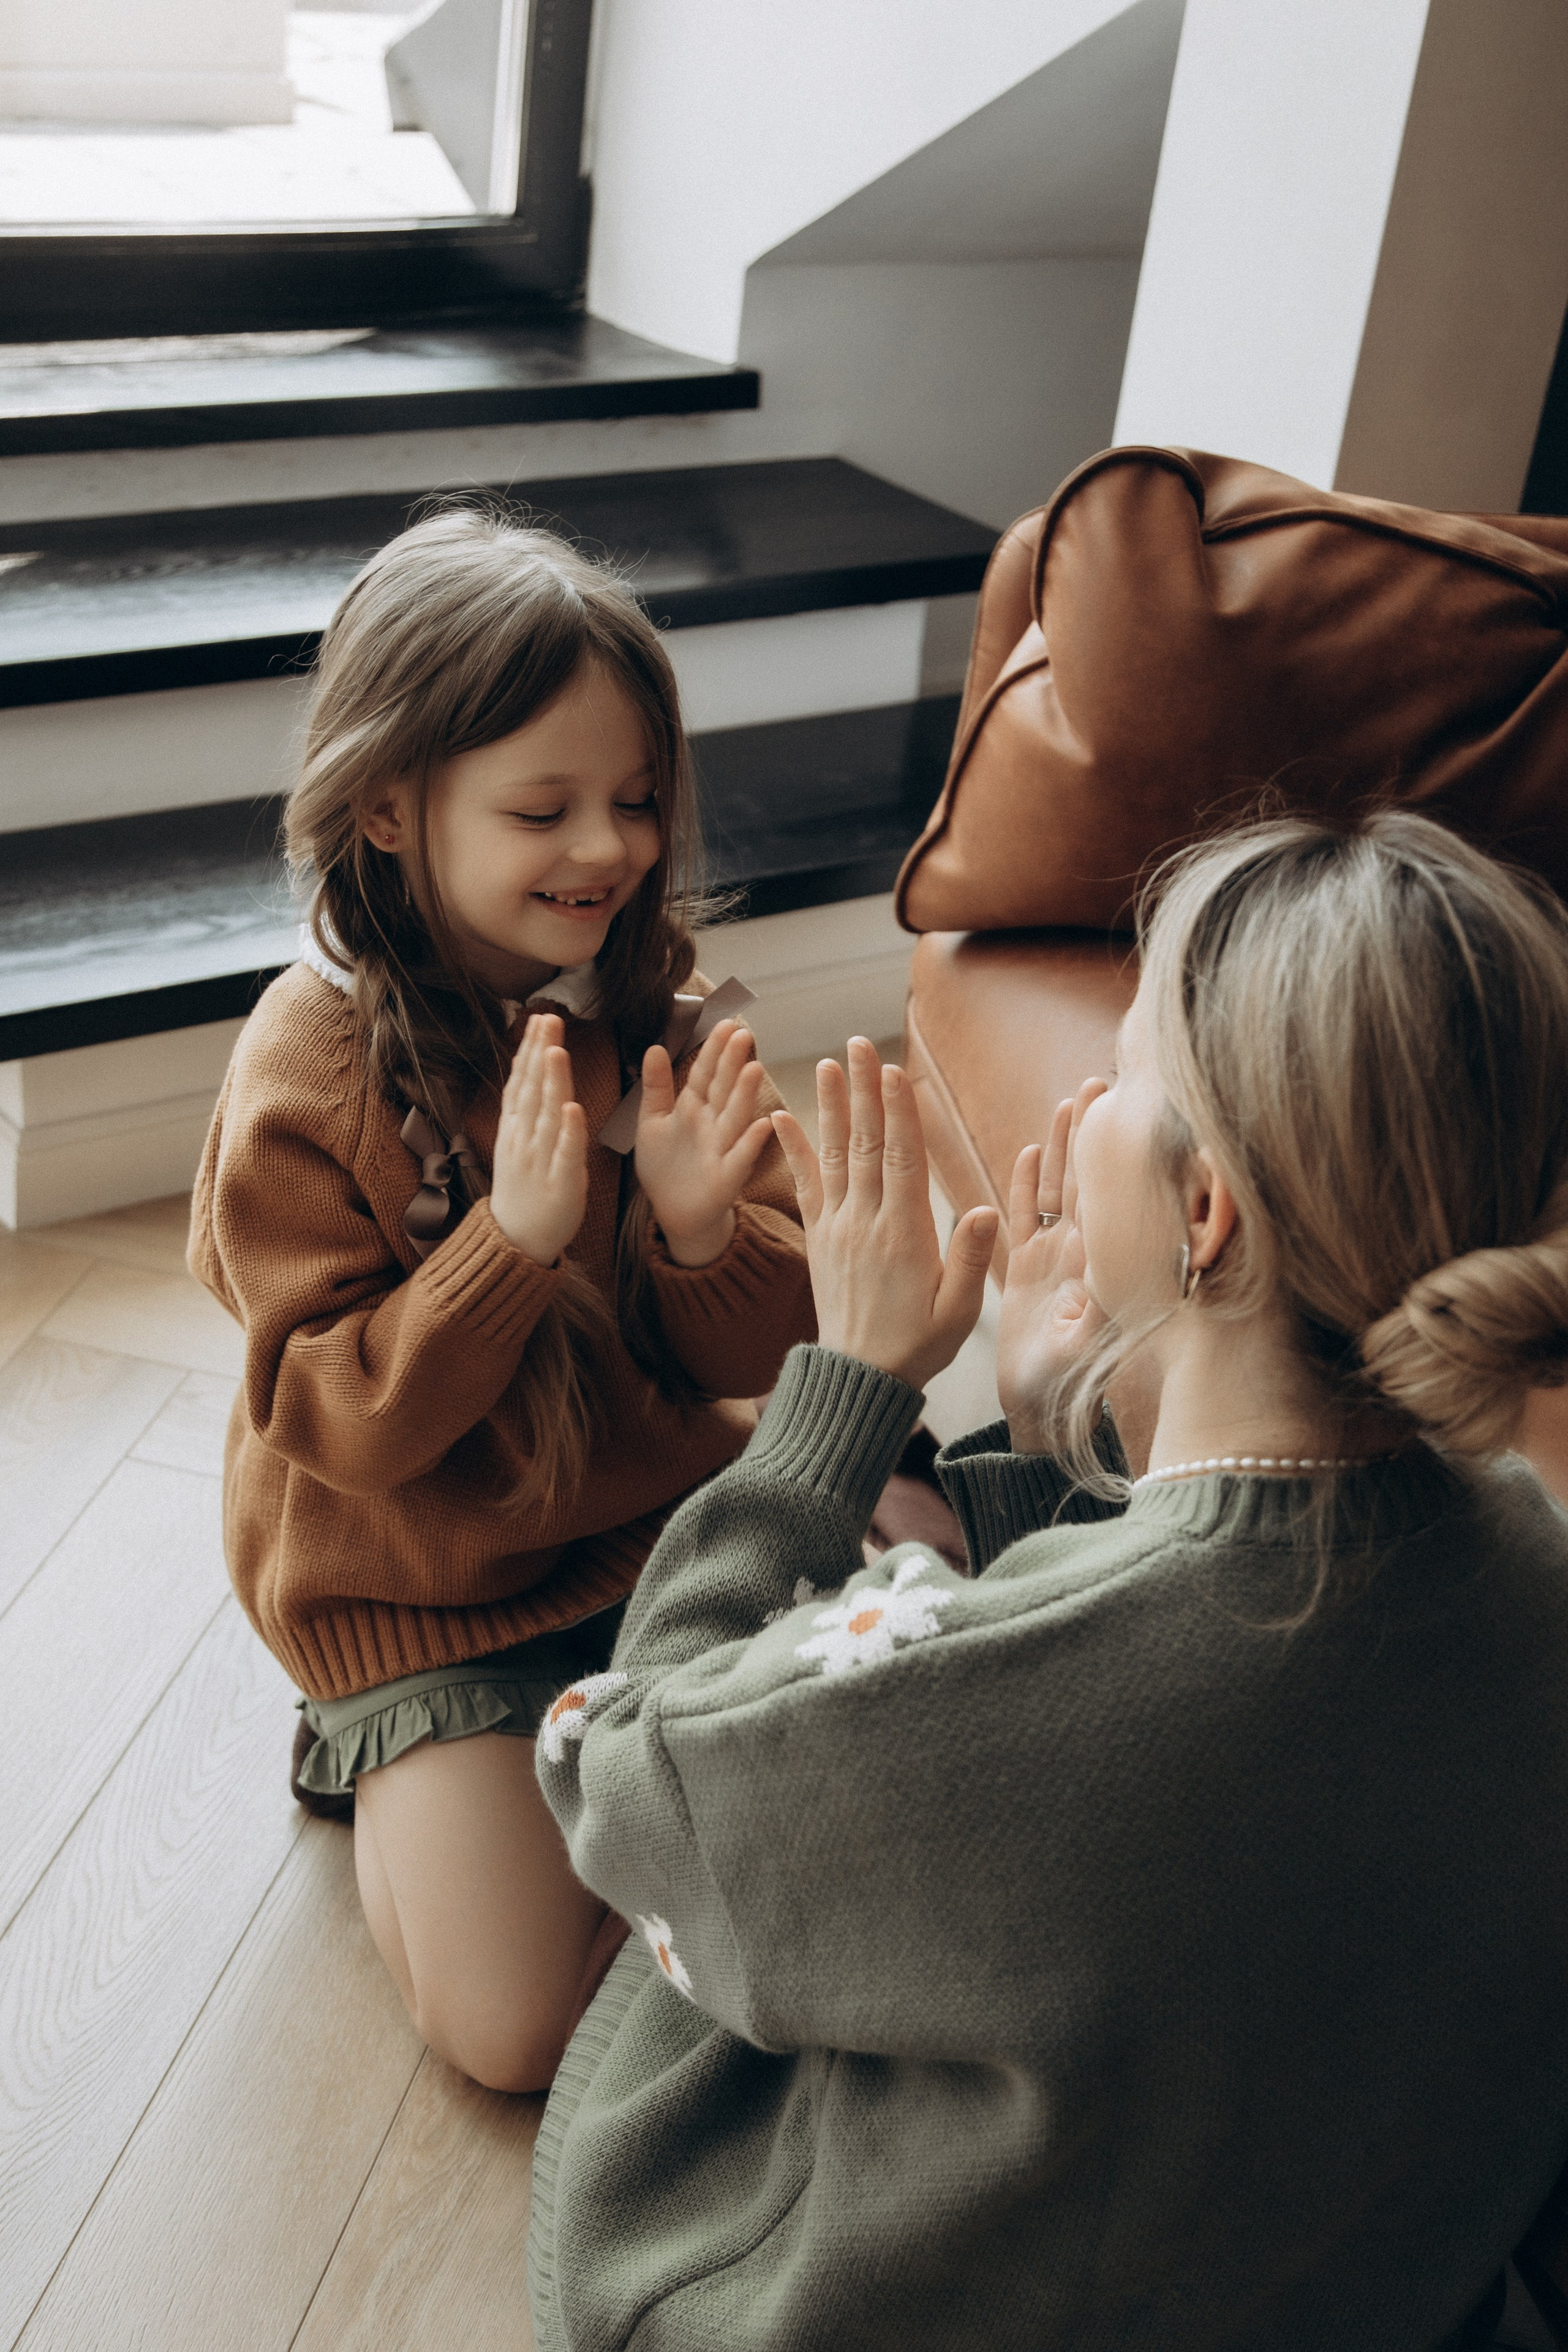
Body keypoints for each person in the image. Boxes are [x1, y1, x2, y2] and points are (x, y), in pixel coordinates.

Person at [529, 811, 1568, 2351]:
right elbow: (1127, 1704)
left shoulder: (963, 1688)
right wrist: (1039, 1448)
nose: (1077, 1096)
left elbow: (612, 1770)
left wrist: (839, 1395)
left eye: (1126, 1070)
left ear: (1202, 1215)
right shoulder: (1534, 1560)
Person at [189, 508, 813, 2094]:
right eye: (543, 809)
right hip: (431, 1589)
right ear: (389, 810)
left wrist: (692, 1232)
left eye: (634, 802)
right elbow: (339, 1421)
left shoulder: (649, 1008)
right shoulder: (306, 1064)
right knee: (514, 2030)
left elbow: (771, 1353)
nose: (605, 848)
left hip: (653, 1528)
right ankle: (413, 1769)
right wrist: (509, 1246)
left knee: (921, 1558)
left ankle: (662, 1787)